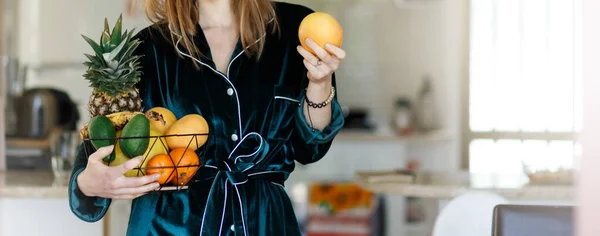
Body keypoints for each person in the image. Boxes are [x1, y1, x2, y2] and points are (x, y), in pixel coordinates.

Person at [68, 0, 346, 235]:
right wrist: (88, 182)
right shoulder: (146, 50)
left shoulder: (295, 30)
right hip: (167, 224)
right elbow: (100, 142)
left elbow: (310, 148)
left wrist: (320, 82)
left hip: (264, 222)